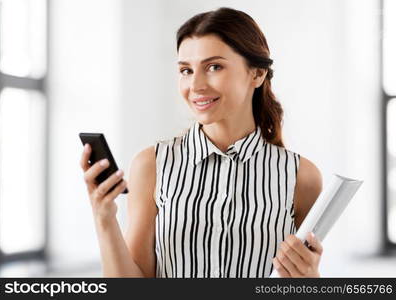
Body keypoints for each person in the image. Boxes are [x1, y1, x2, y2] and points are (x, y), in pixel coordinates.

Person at [80, 7, 323, 278]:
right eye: (186, 70)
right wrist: (105, 219)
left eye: (214, 67)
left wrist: (309, 280)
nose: (195, 85)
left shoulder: (302, 177)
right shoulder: (152, 165)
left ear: (257, 74)